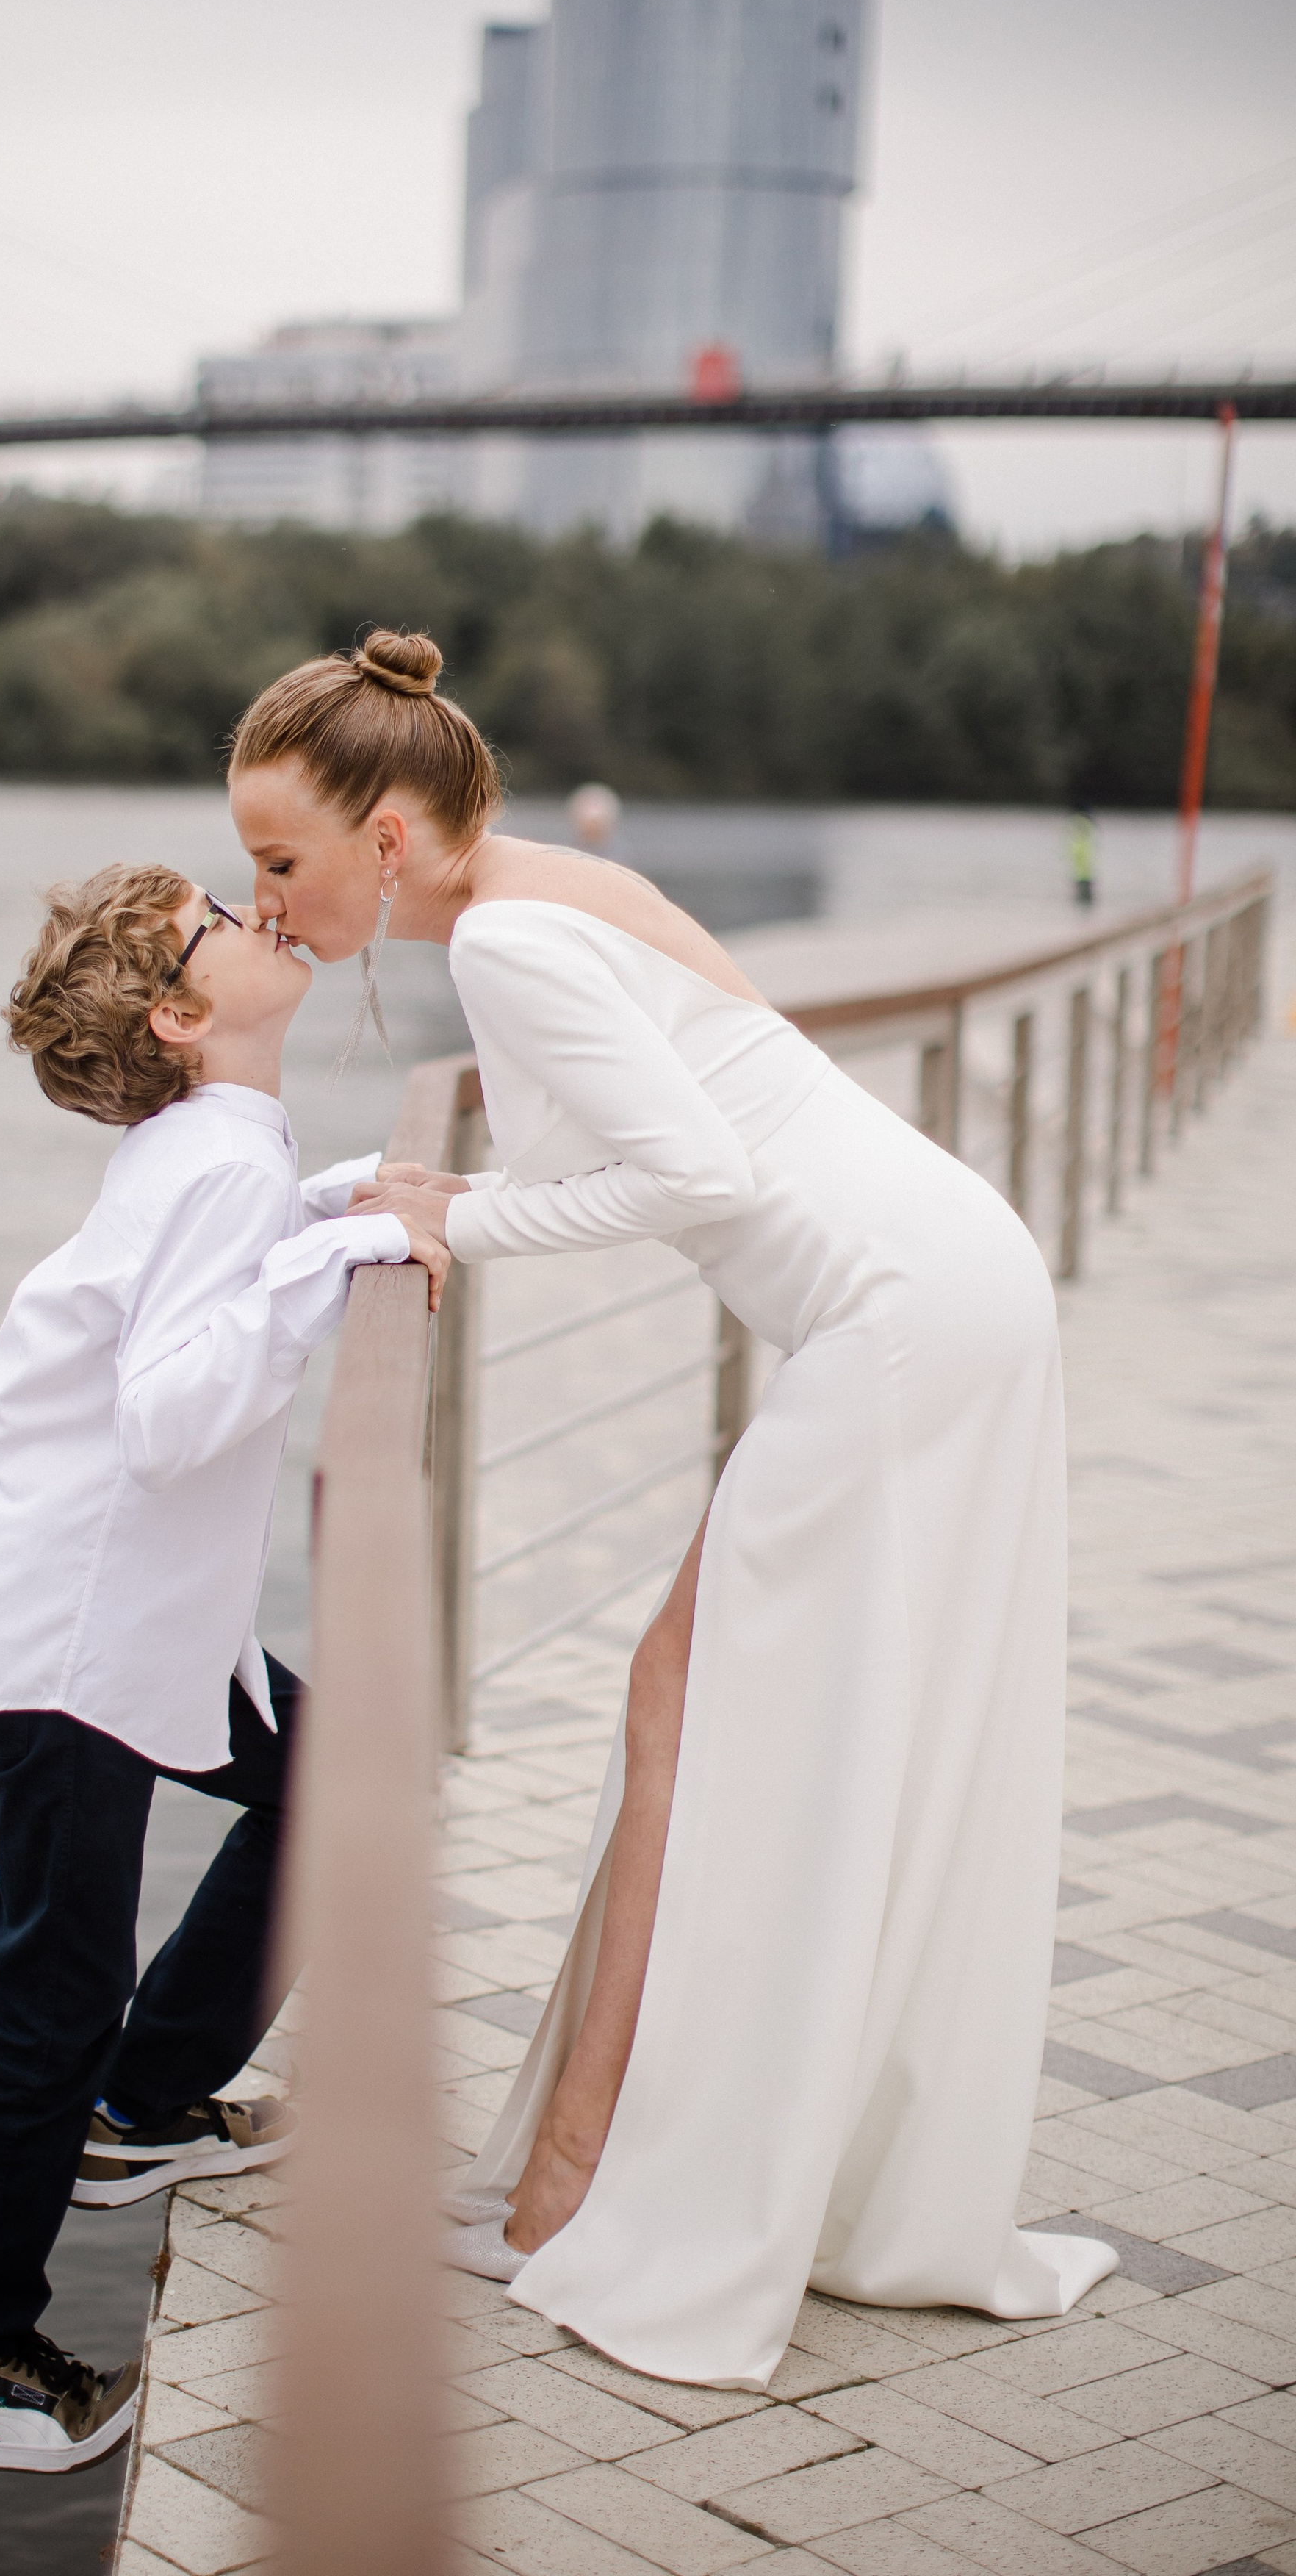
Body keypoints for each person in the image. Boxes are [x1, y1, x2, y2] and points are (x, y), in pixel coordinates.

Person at [228, 628, 1117, 2392]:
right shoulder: (542, 888)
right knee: (702, 1711)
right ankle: (582, 2170)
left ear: (383, 840)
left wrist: (460, 1225)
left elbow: (690, 1169)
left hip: (893, 1319)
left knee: (701, 1717)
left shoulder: (504, 940)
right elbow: (672, 1120)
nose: (258, 900)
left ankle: (586, 2186)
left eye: (275, 860)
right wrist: (457, 1187)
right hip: (935, 1284)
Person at [0, 864, 421, 2472]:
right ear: (184, 1017)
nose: (255, 909)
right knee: (51, 2000)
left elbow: (212, 1279)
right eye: (216, 917)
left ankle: (146, 2108)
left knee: (340, 1777)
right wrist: (336, 1253)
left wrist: (336, 1206)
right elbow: (172, 1412)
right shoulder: (213, 1162)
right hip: (71, 1633)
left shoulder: (218, 1146)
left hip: (105, 1609)